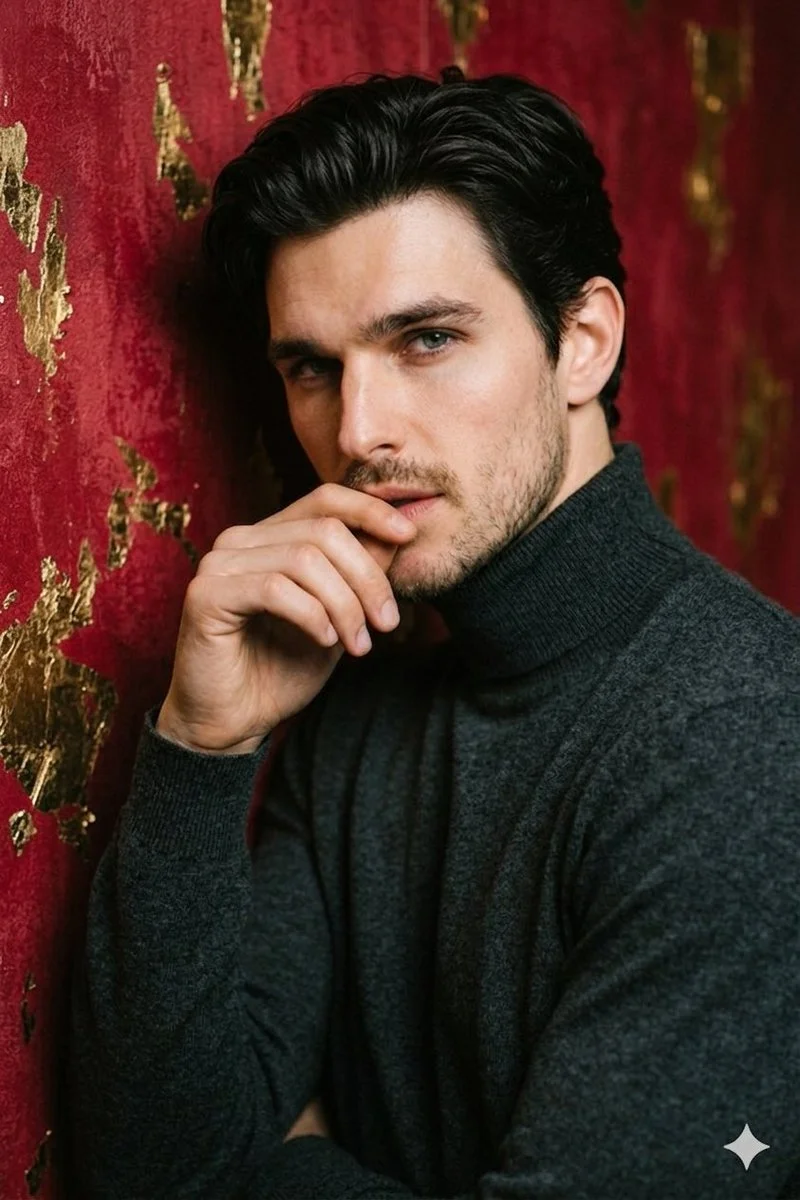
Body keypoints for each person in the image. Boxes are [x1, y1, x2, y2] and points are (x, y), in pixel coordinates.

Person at [69, 67, 800, 1199]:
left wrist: (287, 1166)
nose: (358, 430)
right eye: (311, 367)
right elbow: (150, 1170)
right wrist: (202, 747)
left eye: (424, 340)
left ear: (582, 342)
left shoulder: (742, 735)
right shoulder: (349, 699)